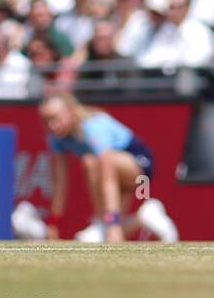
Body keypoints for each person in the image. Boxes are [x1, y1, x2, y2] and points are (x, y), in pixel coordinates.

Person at [39, 92, 178, 243]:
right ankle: (144, 217)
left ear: (71, 112)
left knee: (90, 162)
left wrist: (112, 223)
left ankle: (104, 222)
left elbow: (108, 175)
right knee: (103, 239)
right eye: (46, 121)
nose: (51, 125)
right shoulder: (55, 138)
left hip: (139, 169)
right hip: (112, 172)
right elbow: (60, 182)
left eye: (55, 118)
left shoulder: (92, 127)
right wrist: (53, 223)